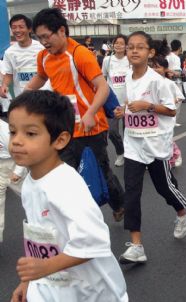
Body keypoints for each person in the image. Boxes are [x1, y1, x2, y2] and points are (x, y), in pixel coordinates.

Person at [9, 90, 128, 302]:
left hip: (91, 293)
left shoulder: (65, 185)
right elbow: (38, 236)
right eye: (12, 132)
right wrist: (28, 280)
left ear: (60, 140)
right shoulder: (30, 182)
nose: (17, 141)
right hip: (53, 289)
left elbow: (93, 241)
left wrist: (44, 267)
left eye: (30, 133)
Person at [26, 8, 125, 220]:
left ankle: (119, 203)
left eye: (46, 36)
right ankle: (79, 218)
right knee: (67, 174)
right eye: (39, 38)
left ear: (61, 30)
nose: (43, 42)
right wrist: (24, 96)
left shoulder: (79, 54)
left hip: (91, 128)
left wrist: (90, 112)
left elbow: (103, 87)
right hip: (64, 127)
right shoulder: (44, 56)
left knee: (99, 173)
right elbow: (41, 77)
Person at [114, 32, 186, 264]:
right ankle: (136, 246)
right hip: (133, 144)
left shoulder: (159, 82)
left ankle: (182, 211)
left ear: (151, 53)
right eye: (130, 47)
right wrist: (124, 111)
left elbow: (170, 110)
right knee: (132, 192)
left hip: (156, 143)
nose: (134, 51)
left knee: (163, 188)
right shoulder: (128, 78)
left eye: (140, 47)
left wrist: (147, 105)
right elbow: (129, 106)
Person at [0, 14, 45, 100]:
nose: (17, 30)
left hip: (43, 96)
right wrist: (4, 86)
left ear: (29, 29)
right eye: (14, 27)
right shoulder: (9, 52)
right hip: (21, 98)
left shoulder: (42, 48)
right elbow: (9, 73)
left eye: (21, 27)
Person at [102, 34, 130, 167]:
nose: (118, 45)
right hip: (113, 102)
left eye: (121, 43)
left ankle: (131, 156)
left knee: (129, 132)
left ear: (126, 46)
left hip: (128, 102)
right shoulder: (107, 60)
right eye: (116, 43)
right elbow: (103, 79)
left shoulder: (130, 60)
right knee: (112, 131)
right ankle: (121, 152)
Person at [0, 118, 27, 243]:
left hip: (14, 163)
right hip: (1, 167)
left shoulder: (5, 130)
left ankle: (49, 228)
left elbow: (23, 151)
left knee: (31, 198)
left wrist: (18, 171)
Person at [166, 39, 184, 125]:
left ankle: (173, 119)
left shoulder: (170, 56)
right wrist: (174, 73)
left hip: (174, 80)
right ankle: (173, 119)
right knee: (177, 100)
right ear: (180, 48)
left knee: (174, 100)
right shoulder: (173, 57)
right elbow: (169, 69)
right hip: (174, 80)